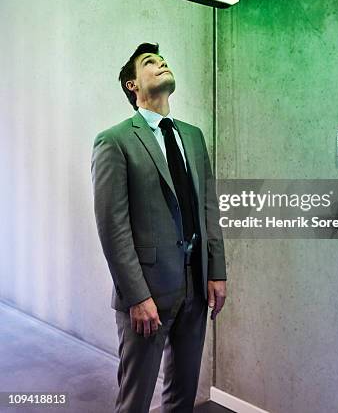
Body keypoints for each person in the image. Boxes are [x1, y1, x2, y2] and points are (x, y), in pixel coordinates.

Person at [91, 42, 227, 413]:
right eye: (150, 63)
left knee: (182, 396)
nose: (161, 64)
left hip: (196, 288)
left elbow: (208, 208)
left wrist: (216, 272)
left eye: (163, 60)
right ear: (132, 85)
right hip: (148, 292)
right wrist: (136, 296)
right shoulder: (115, 140)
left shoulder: (193, 136)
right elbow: (112, 228)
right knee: (135, 398)